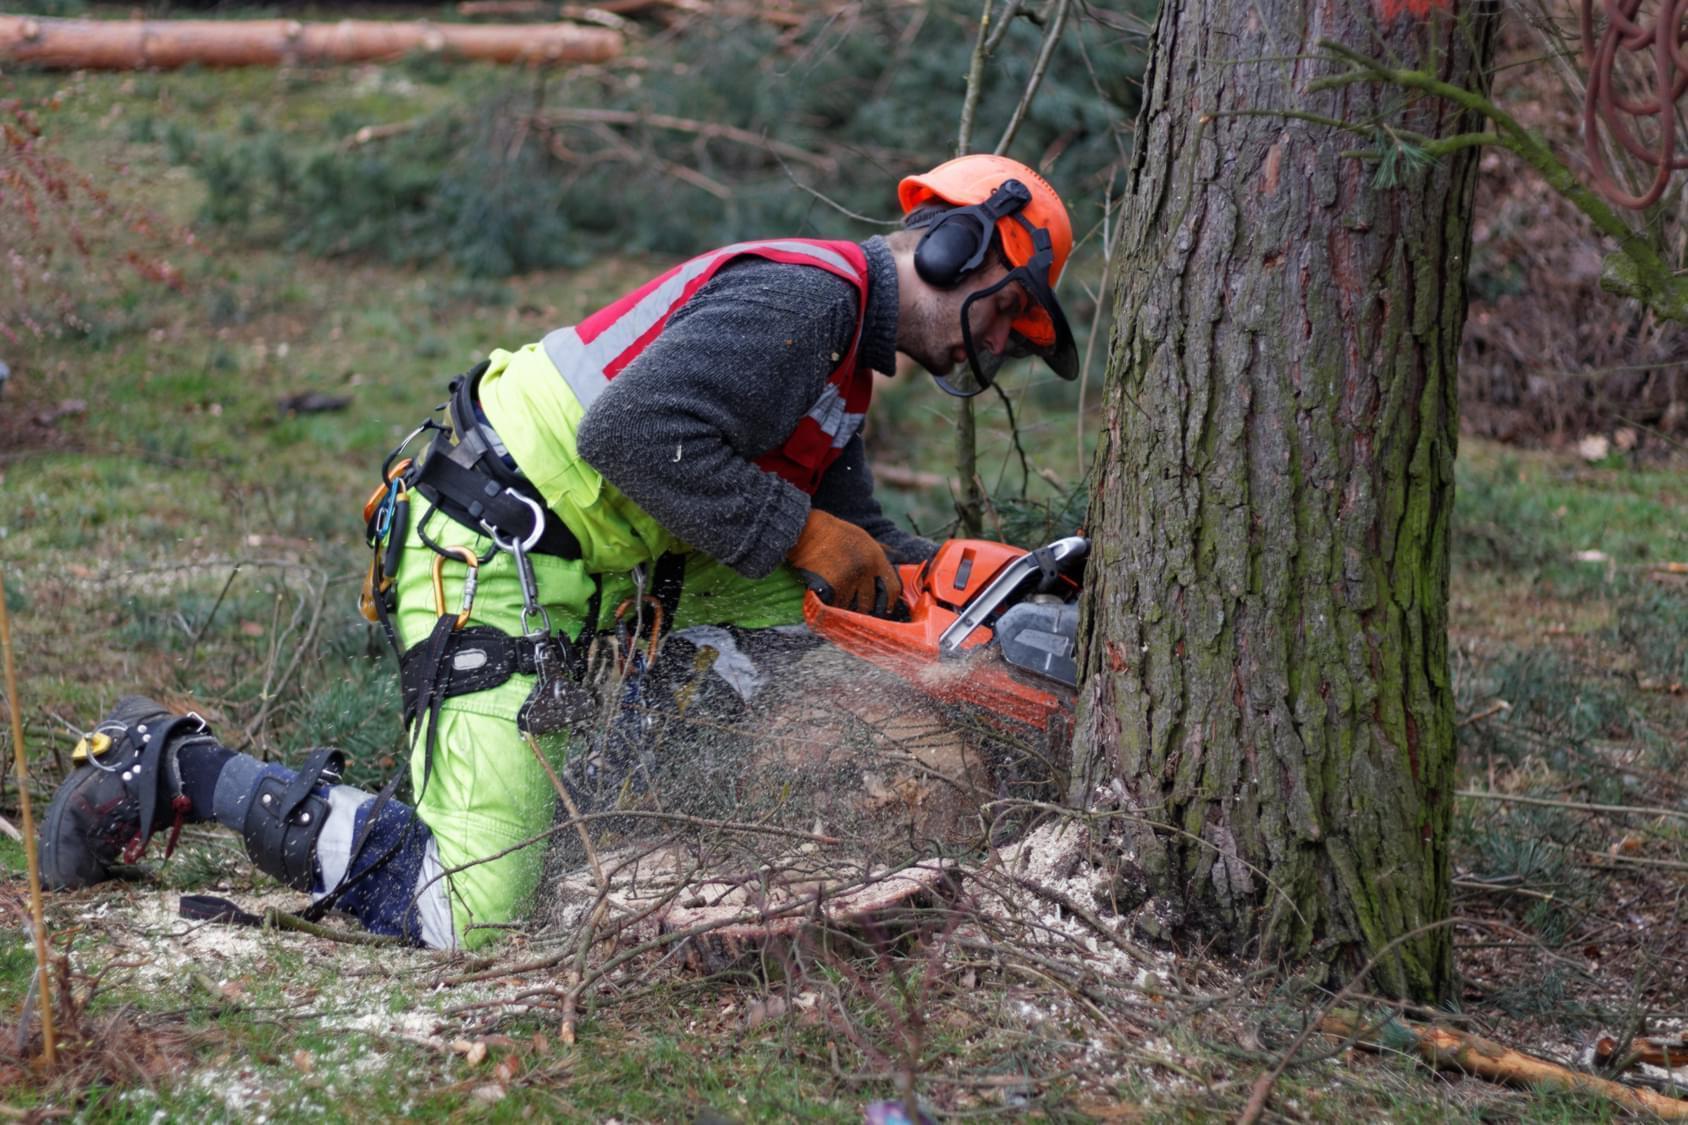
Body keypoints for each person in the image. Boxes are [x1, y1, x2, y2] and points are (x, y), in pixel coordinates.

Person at [39, 154, 1078, 949]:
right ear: (957, 249)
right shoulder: (807, 301)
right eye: (1008, 316)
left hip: (592, 557)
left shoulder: (842, 363)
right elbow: (630, 437)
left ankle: (624, 774)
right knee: (470, 908)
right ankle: (174, 764)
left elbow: (854, 549)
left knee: (822, 609)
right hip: (494, 546)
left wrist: (990, 589)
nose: (998, 349)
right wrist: (805, 532)